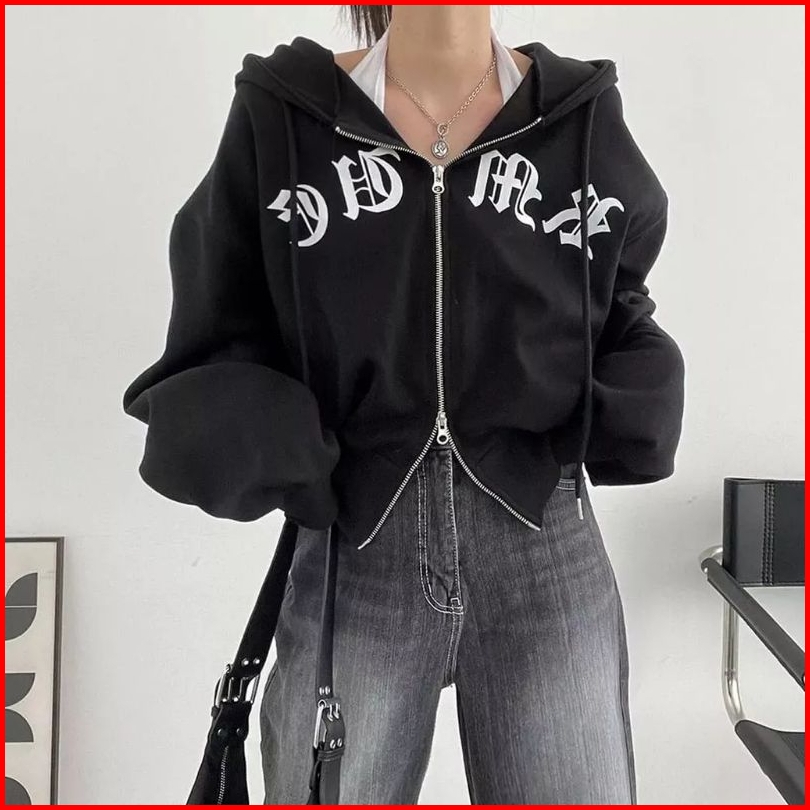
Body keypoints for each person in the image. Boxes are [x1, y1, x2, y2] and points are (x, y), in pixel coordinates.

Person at [122, 4, 685, 804]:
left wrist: (625, 405)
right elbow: (222, 308)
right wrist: (289, 451)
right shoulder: (286, 113)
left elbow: (619, 290)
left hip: (541, 541)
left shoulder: (576, 115)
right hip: (358, 542)